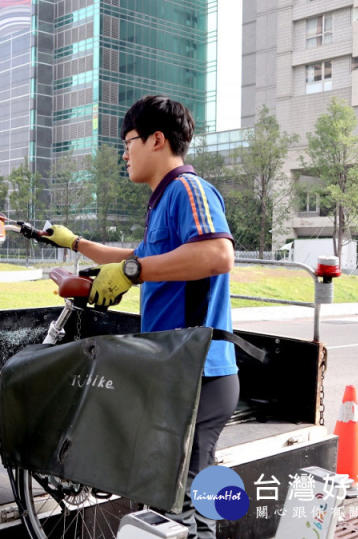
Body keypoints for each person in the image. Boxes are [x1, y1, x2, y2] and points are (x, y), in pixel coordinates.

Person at [45, 95, 237, 539]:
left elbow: (217, 253)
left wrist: (131, 273)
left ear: (157, 140)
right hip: (177, 372)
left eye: (128, 142)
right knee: (173, 508)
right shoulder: (165, 200)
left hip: (197, 374)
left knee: (181, 513)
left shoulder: (188, 189)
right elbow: (137, 257)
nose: (124, 152)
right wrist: (75, 244)